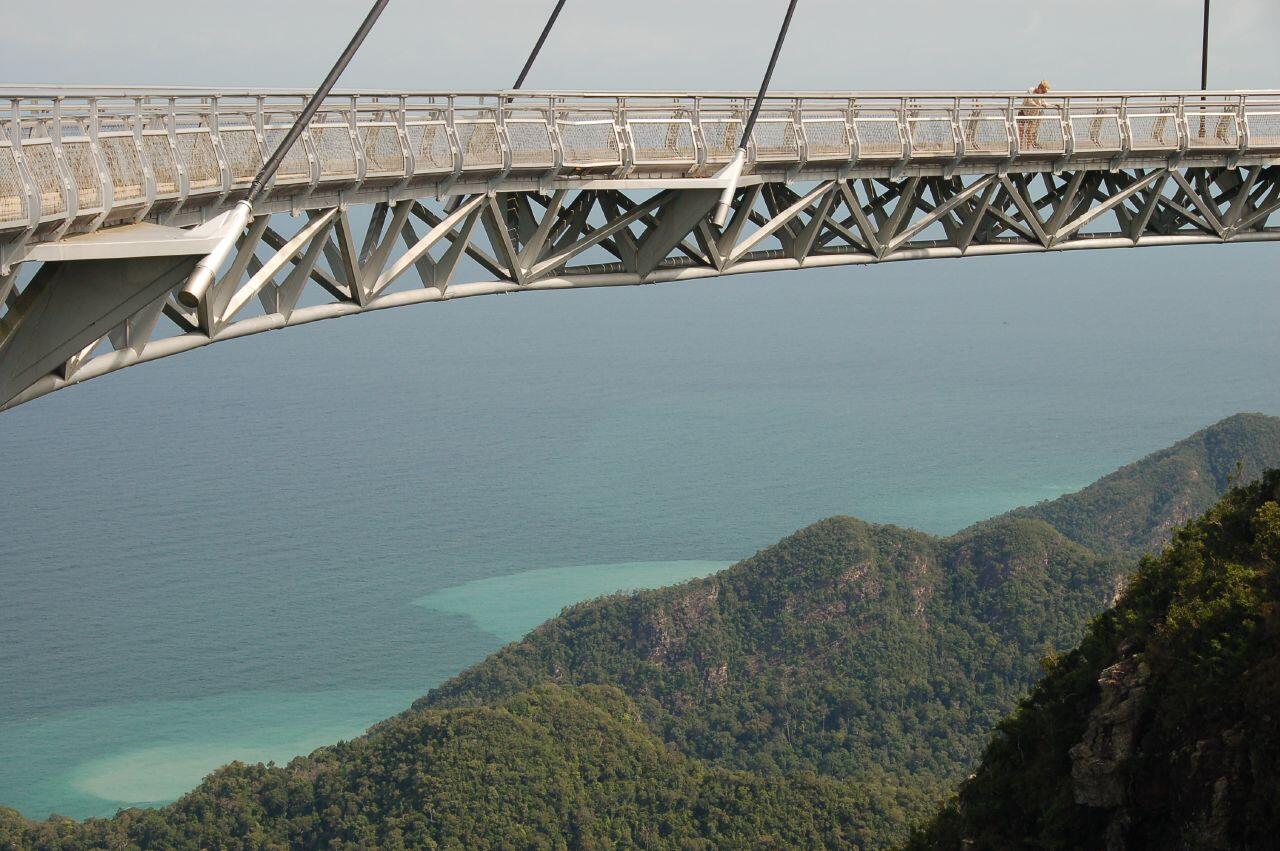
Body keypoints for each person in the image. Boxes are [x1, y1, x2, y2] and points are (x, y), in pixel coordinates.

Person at [1019, 80, 1050, 150]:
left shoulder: (1041, 96)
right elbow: (1029, 100)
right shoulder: (1031, 90)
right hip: (1024, 112)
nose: (1044, 93)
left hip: (1033, 115)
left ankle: (1028, 149)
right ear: (1040, 87)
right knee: (1021, 131)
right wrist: (1037, 105)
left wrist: (1053, 105)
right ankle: (1020, 148)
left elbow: (1044, 103)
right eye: (1043, 91)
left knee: (1029, 131)